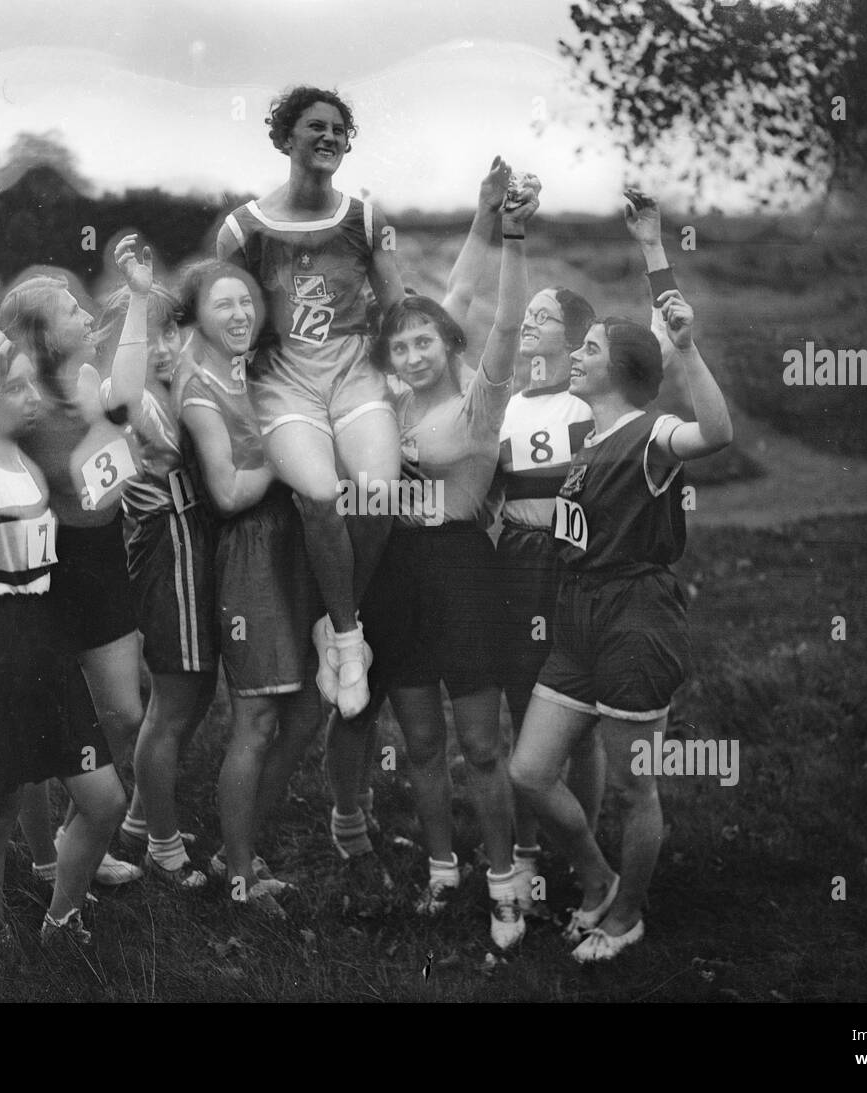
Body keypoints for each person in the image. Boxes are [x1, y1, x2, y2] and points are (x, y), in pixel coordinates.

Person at [508, 277, 733, 963]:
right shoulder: (591, 433)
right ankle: (599, 873)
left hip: (636, 620)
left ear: (620, 370)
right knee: (530, 771)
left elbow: (718, 433)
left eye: (591, 348)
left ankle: (627, 915)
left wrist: (687, 351)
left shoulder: (650, 433)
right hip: (577, 616)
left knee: (638, 784)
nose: (576, 353)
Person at [0, 268, 145, 887]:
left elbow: (116, 451)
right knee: (35, 722)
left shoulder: (88, 378)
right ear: (41, 335)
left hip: (100, 559)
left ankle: (81, 830)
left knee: (123, 714)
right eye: (71, 310)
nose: (86, 315)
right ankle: (48, 860)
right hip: (39, 569)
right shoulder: (15, 388)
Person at [356, 164, 535, 949]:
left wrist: (515, 234)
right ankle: (441, 868)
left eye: (425, 338)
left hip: (463, 569)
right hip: (398, 573)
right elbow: (453, 290)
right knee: (421, 742)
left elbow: (498, 318)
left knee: (482, 744)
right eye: (402, 342)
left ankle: (505, 882)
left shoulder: (477, 400)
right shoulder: (395, 399)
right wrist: (481, 213)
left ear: (447, 344)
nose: (413, 347)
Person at [496, 188, 683, 913]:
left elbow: (665, 334)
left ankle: (604, 864)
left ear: (577, 345)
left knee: (591, 728)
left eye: (547, 318)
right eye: (529, 317)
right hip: (527, 566)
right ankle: (539, 848)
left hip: (588, 574)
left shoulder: (595, 402)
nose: (532, 326)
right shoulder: (511, 401)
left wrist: (652, 248)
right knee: (536, 708)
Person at [0, 322, 125, 947]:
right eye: (15, 390)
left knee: (104, 801)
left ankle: (61, 919)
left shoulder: (22, 459)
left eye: (24, 385)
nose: (30, 397)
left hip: (44, 638)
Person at [217, 86, 403, 719]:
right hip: (283, 380)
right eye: (315, 127)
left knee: (378, 492)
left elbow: (399, 312)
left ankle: (333, 622)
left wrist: (406, 377)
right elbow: (222, 319)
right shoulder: (243, 230)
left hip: (354, 374)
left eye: (340, 130)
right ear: (284, 138)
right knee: (321, 496)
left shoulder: (368, 220)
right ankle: (349, 639)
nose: (329, 138)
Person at [177, 258, 325, 917]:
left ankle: (235, 849)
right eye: (221, 305)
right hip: (251, 553)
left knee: (308, 707)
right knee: (258, 718)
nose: (238, 314)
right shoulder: (200, 390)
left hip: (300, 544)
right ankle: (238, 876)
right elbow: (230, 490)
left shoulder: (259, 370)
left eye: (245, 303)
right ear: (198, 318)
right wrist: (286, 442)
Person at [97, 236, 218, 887]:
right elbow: (120, 391)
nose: (167, 344)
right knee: (173, 700)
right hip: (168, 538)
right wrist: (141, 298)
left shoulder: (170, 387)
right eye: (151, 333)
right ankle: (164, 851)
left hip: (186, 536)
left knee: (192, 692)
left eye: (175, 329)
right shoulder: (132, 398)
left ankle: (145, 819)